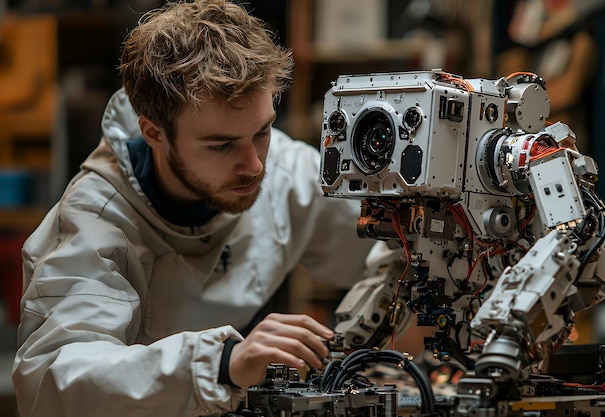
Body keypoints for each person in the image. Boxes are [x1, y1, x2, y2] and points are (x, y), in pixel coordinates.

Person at [11, 1, 375, 416]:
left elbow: (385, 247)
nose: (255, 165)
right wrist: (221, 363)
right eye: (221, 145)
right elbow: (53, 385)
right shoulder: (93, 223)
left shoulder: (288, 173)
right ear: (154, 132)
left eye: (262, 131)